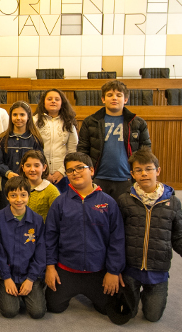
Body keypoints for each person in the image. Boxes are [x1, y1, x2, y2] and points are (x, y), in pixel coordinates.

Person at [45, 152, 125, 315]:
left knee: (107, 309)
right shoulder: (60, 202)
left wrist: (113, 271)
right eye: (70, 170)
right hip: (66, 269)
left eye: (80, 168)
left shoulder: (108, 202)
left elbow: (117, 239)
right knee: (54, 306)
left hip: (98, 270)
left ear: (92, 171)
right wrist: (50, 267)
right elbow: (50, 236)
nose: (75, 172)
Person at [117, 148, 182, 322]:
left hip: (158, 269)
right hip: (130, 269)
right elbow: (116, 235)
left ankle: (149, 295)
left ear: (158, 171)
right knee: (127, 313)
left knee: (152, 317)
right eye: (139, 170)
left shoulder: (174, 202)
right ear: (132, 174)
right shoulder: (124, 200)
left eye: (148, 169)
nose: (144, 174)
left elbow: (178, 237)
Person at [77, 80, 151, 202]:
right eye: (110, 95)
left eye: (119, 95)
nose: (114, 98)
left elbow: (145, 151)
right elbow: (82, 150)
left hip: (126, 178)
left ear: (126, 99)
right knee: (98, 215)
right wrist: (87, 174)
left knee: (124, 216)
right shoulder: (90, 122)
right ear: (103, 99)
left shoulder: (138, 123)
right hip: (98, 178)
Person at [0, 176, 46, 319]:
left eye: (23, 195)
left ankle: (30, 290)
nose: (19, 199)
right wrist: (6, 277)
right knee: (10, 312)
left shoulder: (37, 220)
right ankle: (11, 290)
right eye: (13, 195)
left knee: (38, 312)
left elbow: (40, 252)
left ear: (29, 196)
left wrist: (31, 279)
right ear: (7, 197)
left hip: (29, 274)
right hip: (8, 274)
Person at [0, 101, 44, 210]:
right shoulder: (3, 138)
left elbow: (41, 162)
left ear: (29, 116)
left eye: (22, 115)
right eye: (15, 115)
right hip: (8, 185)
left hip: (30, 185)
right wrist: (8, 173)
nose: (18, 118)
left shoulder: (35, 139)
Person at [33, 89, 78, 193]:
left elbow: (72, 150)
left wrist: (62, 171)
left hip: (62, 175)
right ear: (43, 102)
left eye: (57, 99)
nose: (53, 101)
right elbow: (32, 148)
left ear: (62, 103)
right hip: (39, 173)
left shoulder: (68, 122)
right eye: (49, 99)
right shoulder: (34, 121)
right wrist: (44, 172)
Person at [19, 150, 60, 222]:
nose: (32, 169)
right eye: (28, 166)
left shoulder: (51, 190)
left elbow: (58, 217)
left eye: (36, 166)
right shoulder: (18, 187)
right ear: (23, 168)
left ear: (44, 167)